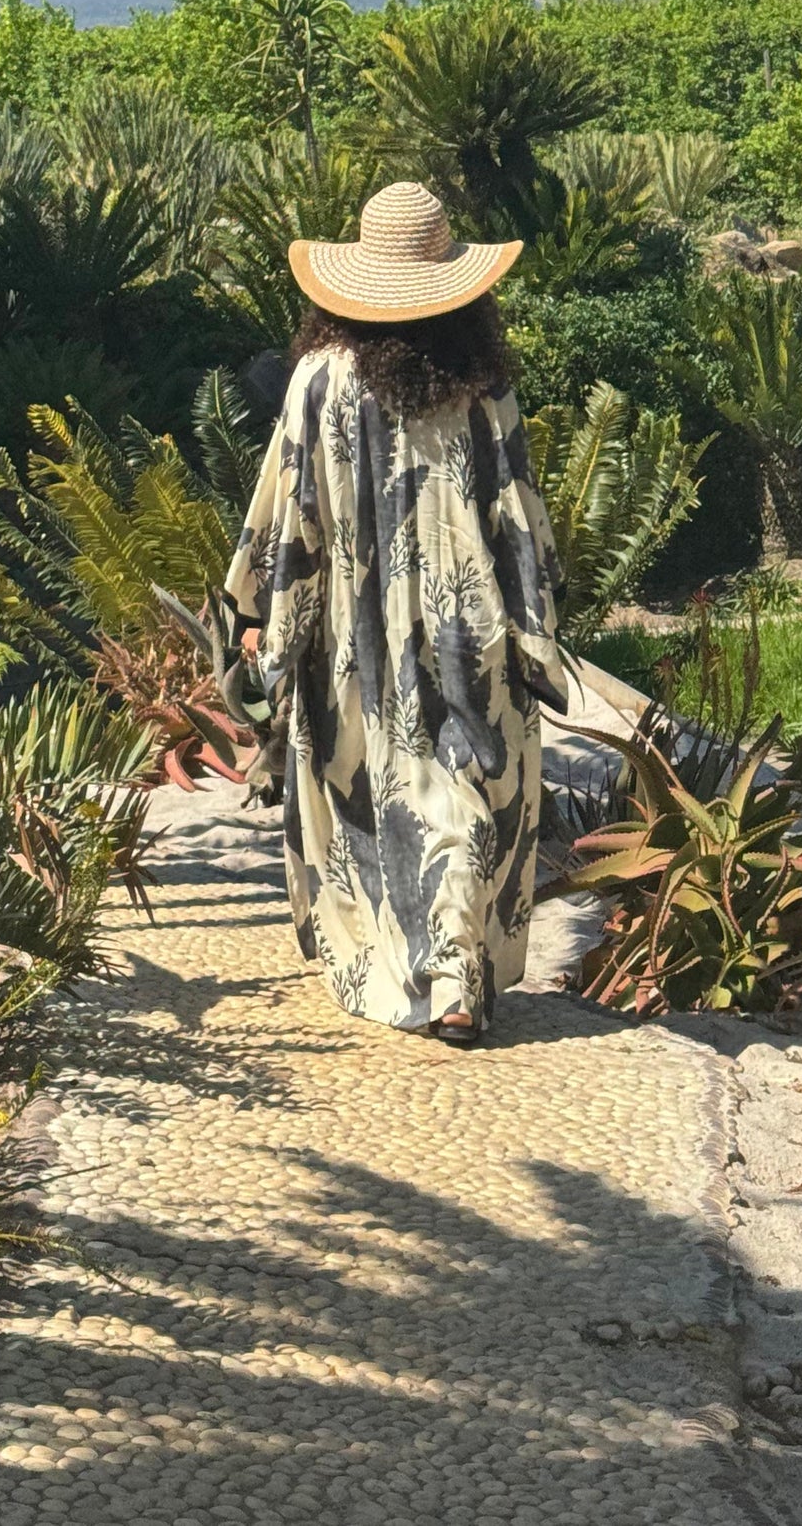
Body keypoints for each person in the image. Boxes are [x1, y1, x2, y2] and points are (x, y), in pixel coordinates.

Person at [224, 180, 566, 1046]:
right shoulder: (481, 384)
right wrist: (535, 625)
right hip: (468, 624)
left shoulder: (316, 381)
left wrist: (261, 611)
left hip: (356, 637)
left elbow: (284, 511)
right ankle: (452, 978)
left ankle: (417, 973)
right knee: (460, 789)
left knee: (381, 794)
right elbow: (520, 513)